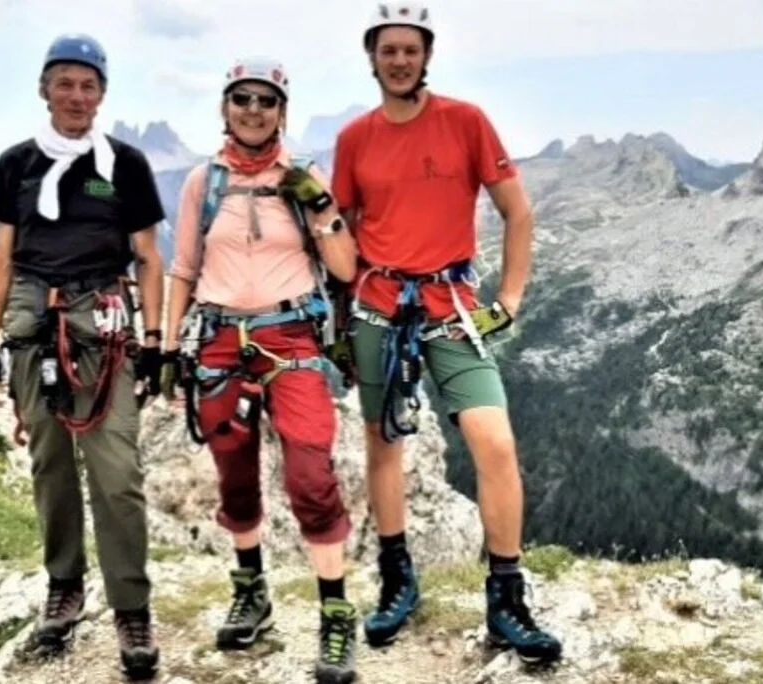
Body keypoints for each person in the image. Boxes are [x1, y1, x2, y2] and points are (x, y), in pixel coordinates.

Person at [329, 1, 563, 666]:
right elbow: (342, 235)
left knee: (495, 441)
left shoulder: (465, 121)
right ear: (372, 57)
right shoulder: (355, 138)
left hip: (449, 305)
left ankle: (506, 599)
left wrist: (509, 298)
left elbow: (518, 212)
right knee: (383, 445)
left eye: (411, 49)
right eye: (389, 50)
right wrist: (338, 324)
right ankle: (397, 580)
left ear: (426, 56)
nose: (400, 60)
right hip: (377, 305)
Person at [0, 33, 166, 680]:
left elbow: (149, 257)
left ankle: (131, 608)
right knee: (50, 466)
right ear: (44, 90)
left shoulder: (126, 165)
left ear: (102, 94)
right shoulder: (16, 165)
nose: (77, 96)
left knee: (117, 474)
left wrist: (155, 340)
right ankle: (64, 587)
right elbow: (1, 258)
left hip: (104, 326)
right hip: (33, 328)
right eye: (65, 84)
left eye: (88, 86)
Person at [161, 56, 361, 684]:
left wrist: (321, 204)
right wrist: (167, 348)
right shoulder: (203, 182)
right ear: (225, 108)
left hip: (290, 338)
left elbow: (345, 267)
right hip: (219, 341)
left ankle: (335, 615)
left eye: (265, 100)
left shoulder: (305, 177)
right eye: (242, 98)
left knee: (310, 474)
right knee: (234, 477)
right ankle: (252, 595)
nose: (253, 110)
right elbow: (184, 269)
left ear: (282, 111)